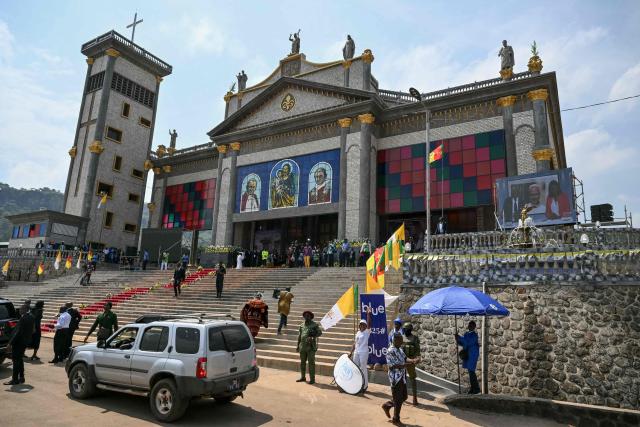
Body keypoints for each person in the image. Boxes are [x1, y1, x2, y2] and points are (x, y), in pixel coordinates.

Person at [382, 332, 419, 425]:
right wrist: (408, 364)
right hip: (395, 378)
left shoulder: (400, 349)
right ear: (395, 340)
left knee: (404, 397)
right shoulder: (390, 351)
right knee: (398, 399)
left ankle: (387, 405)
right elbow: (394, 366)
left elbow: (405, 358)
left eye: (402, 340)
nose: (402, 341)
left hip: (402, 377)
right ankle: (396, 419)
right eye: (400, 340)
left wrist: (413, 360)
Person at [4, 305, 34, 385]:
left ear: (25, 309)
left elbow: (18, 332)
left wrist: (10, 343)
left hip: (18, 343)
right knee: (20, 360)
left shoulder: (23, 318)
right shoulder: (31, 317)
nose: (19, 310)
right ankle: (21, 377)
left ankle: (14, 379)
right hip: (24, 342)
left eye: (21, 309)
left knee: (16, 361)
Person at [350, 307, 372, 392]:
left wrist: (368, 314)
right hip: (357, 352)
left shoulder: (367, 332)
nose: (362, 326)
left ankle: (364, 385)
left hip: (364, 352)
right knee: (355, 367)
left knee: (363, 368)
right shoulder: (358, 333)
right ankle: (357, 384)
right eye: (361, 324)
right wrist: (351, 352)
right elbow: (355, 343)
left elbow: (369, 323)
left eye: (363, 324)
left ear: (365, 326)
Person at [297, 310, 322, 384]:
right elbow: (299, 336)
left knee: (311, 363)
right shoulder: (301, 325)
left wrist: (313, 336)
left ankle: (312, 379)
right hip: (302, 346)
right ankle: (303, 377)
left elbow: (320, 333)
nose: (306, 317)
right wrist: (298, 345)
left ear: (311, 317)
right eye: (305, 315)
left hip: (311, 347)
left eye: (308, 315)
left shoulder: (314, 325)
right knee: (302, 363)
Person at [456, 320, 480, 394]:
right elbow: (464, 343)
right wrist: (457, 339)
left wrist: (459, 337)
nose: (470, 326)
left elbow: (468, 342)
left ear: (474, 327)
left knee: (471, 371)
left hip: (473, 354)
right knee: (470, 372)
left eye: (472, 325)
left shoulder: (474, 335)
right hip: (468, 354)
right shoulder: (466, 334)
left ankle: (476, 389)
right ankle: (473, 388)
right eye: (469, 325)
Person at [402, 323, 422, 405]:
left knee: (412, 379)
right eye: (404, 329)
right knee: (402, 379)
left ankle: (414, 398)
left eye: (405, 329)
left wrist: (416, 358)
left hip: (411, 361)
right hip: (402, 361)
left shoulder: (414, 338)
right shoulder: (401, 337)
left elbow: (417, 350)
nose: (404, 330)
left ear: (409, 329)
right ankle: (403, 396)